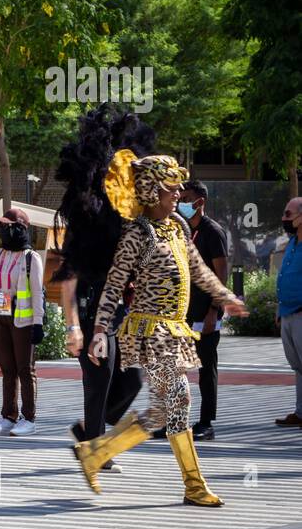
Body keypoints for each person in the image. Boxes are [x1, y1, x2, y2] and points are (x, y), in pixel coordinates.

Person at [72, 153, 246, 506]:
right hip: (151, 331)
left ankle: (96, 453)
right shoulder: (138, 233)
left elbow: (198, 270)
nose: (179, 192)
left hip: (175, 329)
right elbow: (115, 283)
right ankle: (194, 486)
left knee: (164, 411)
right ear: (152, 191)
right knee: (178, 401)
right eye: (172, 187)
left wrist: (225, 297)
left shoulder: (179, 228)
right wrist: (100, 329)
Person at [53, 105, 150, 471]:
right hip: (92, 309)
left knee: (132, 382)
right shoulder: (85, 220)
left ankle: (88, 433)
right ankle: (96, 449)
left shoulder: (127, 222)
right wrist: (73, 325)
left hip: (121, 314)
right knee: (98, 380)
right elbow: (70, 276)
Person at [0, 208, 44, 435]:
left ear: (20, 228)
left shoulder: (30, 258)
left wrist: (38, 323)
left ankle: (29, 418)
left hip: (22, 322)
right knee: (6, 370)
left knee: (25, 370)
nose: (2, 230)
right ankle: (8, 416)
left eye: (7, 226)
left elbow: (37, 293)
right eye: (1, 227)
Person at [179, 181, 228, 441]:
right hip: (183, 313)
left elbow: (222, 273)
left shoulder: (213, 231)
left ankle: (206, 422)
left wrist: (214, 310)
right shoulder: (183, 231)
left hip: (206, 313)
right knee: (176, 367)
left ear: (200, 202)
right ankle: (176, 422)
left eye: (186, 198)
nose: (181, 203)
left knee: (206, 368)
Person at [275, 197, 302, 429]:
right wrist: (279, 309)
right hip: (288, 312)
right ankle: (300, 412)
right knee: (298, 366)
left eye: (288, 214)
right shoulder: (292, 243)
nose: (284, 219)